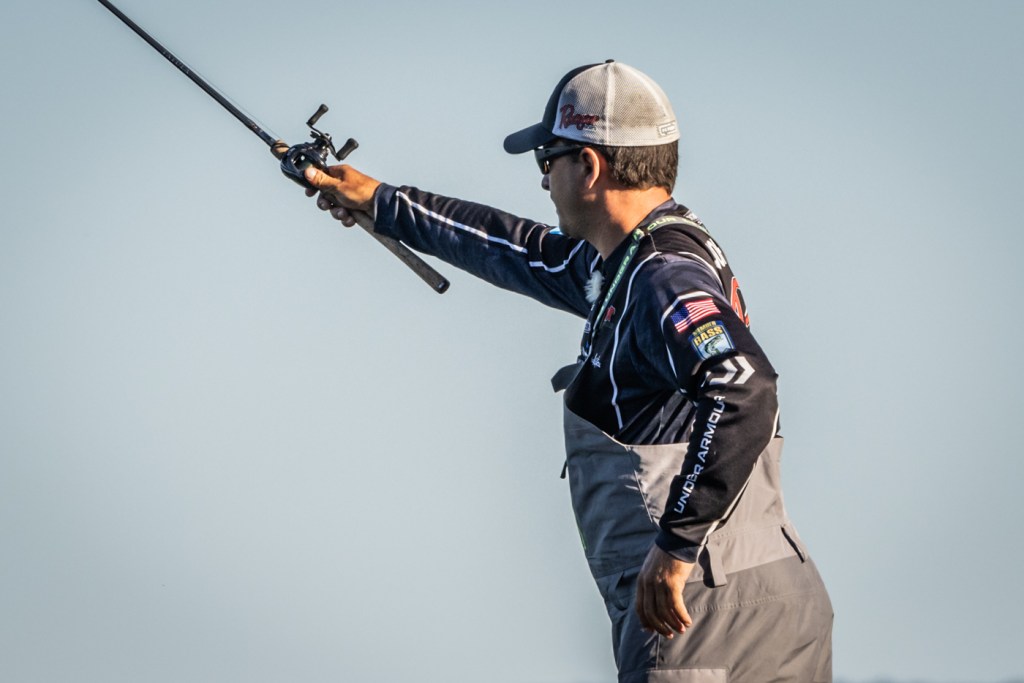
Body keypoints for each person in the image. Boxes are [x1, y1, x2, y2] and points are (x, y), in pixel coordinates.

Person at [303, 60, 833, 683]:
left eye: (547, 159)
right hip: (776, 592)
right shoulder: (635, 259)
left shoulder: (660, 276)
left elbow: (745, 388)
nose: (542, 178)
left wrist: (675, 546)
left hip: (694, 612)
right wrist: (380, 201)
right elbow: (515, 249)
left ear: (589, 166)